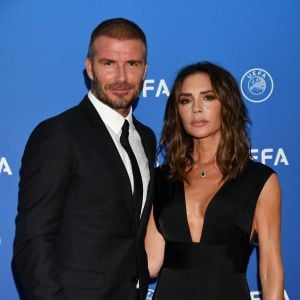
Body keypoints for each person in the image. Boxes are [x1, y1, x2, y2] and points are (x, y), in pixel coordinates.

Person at [13, 18, 156, 300]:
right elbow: (34, 241)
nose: (121, 77)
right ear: (89, 67)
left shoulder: (146, 138)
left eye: (132, 64)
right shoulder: (59, 134)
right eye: (108, 64)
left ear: (145, 70)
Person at [145, 62, 284, 300]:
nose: (196, 109)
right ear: (177, 110)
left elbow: (270, 270)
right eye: (186, 100)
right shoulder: (162, 178)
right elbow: (150, 262)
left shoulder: (259, 180)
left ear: (227, 105)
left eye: (208, 97)